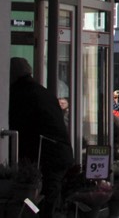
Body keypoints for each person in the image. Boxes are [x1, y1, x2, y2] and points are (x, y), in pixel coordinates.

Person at [10, 58, 73, 218]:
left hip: (46, 154)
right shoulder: (41, 91)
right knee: (48, 195)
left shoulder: (22, 93)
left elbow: (18, 124)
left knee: (38, 196)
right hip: (59, 152)